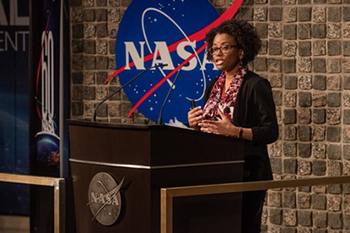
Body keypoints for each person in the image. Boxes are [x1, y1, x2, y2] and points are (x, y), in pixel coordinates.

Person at [187, 19, 279, 233]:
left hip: (247, 173)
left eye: (225, 47)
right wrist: (194, 124)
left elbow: (271, 131)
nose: (217, 53)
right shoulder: (213, 85)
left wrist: (235, 132)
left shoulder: (256, 85)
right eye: (214, 48)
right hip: (214, 170)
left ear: (241, 52)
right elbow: (210, 128)